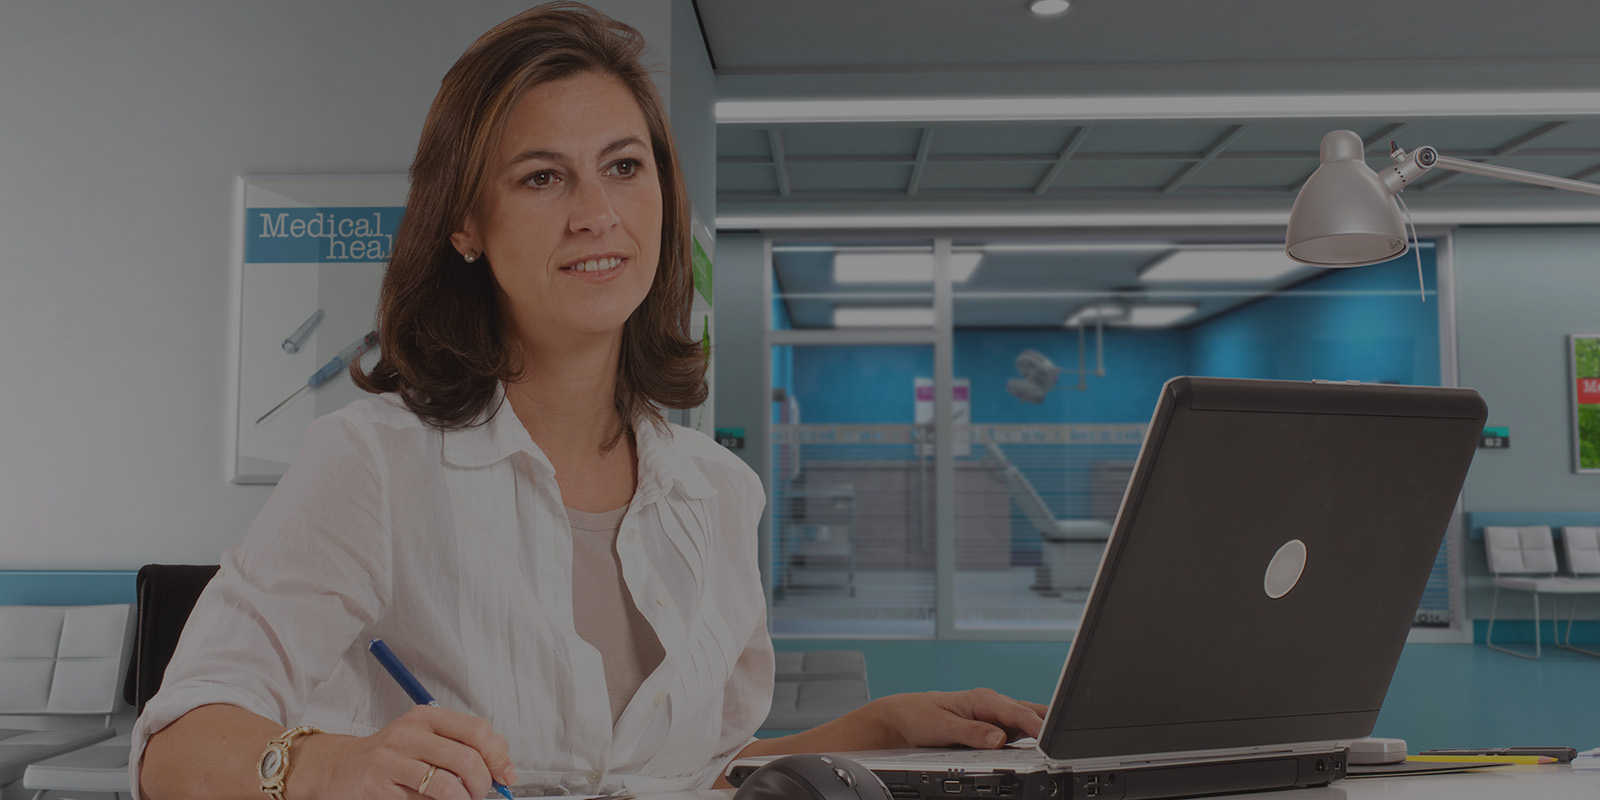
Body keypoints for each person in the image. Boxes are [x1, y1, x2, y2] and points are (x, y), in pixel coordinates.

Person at [133, 4, 1046, 800]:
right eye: (541, 177)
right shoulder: (373, 462)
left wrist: (877, 731)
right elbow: (173, 751)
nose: (596, 213)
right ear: (466, 225)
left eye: (623, 166)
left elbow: (688, 775)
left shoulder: (718, 492)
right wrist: (332, 768)